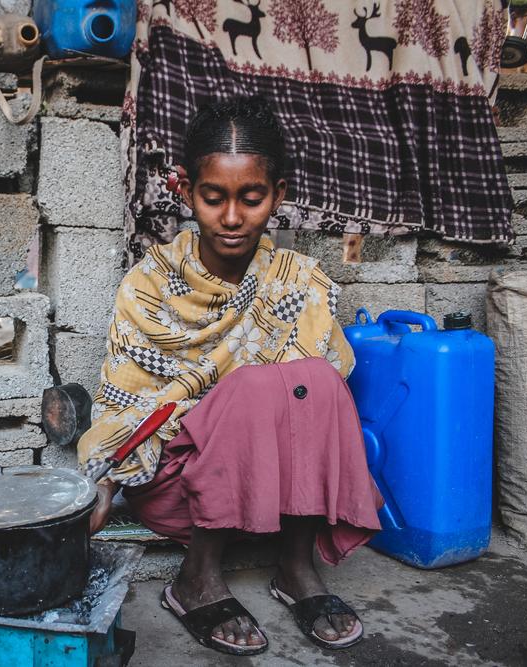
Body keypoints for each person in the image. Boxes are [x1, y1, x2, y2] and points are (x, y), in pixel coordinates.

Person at [78, 95, 382, 656]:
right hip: (183, 490)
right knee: (251, 387)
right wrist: (105, 479)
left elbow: (313, 406)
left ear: (279, 196)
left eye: (252, 197)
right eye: (214, 198)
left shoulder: (299, 281)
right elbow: (131, 402)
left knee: (316, 380)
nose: (234, 218)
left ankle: (295, 567)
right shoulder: (148, 286)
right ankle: (196, 577)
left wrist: (266, 394)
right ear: (187, 191)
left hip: (279, 494)